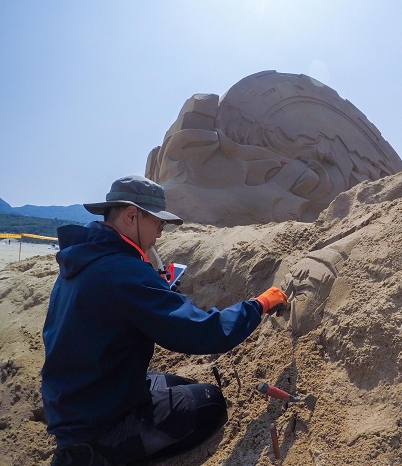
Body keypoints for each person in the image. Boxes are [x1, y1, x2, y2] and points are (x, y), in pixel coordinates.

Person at [41, 175, 288, 466]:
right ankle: (103, 455)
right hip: (97, 427)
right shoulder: (123, 271)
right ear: (131, 215)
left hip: (77, 398)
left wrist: (154, 288)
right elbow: (203, 332)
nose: (159, 233)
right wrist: (258, 305)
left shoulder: (85, 256)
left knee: (178, 384)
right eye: (158, 223)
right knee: (210, 401)